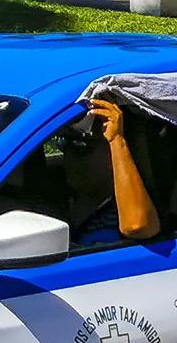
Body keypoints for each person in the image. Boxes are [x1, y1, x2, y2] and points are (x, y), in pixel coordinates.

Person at [64, 99, 161, 245]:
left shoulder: (125, 209)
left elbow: (138, 226)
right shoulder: (69, 203)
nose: (69, 156)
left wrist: (116, 140)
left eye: (81, 147)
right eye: (64, 143)